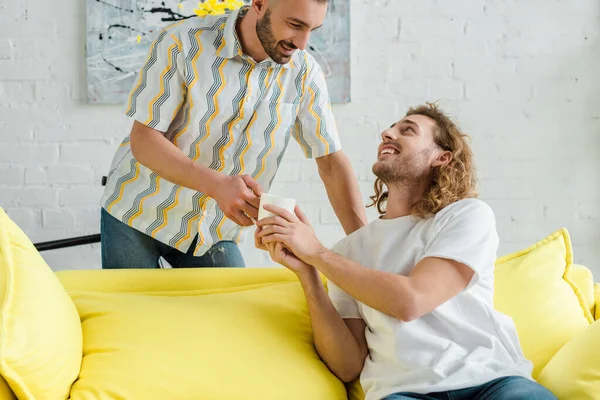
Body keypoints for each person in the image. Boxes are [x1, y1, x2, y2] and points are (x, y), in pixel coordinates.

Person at [255, 103, 557, 400]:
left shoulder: (465, 216)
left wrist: (317, 253)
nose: (387, 133)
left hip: (491, 382)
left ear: (442, 157)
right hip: (402, 392)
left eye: (407, 130)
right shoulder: (347, 252)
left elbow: (411, 301)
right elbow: (347, 366)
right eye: (389, 129)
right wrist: (307, 271)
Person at [99, 0, 366, 269]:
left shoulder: (304, 74)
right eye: (295, 25)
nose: (302, 43)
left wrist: (368, 249)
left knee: (233, 312)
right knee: (135, 310)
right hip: (137, 211)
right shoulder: (182, 41)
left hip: (213, 233)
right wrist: (217, 185)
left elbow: (332, 163)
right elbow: (144, 140)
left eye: (313, 29)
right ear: (259, 4)